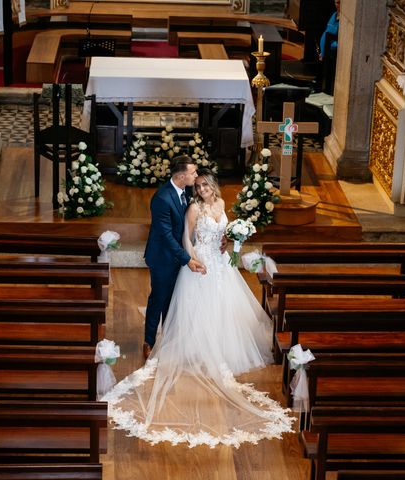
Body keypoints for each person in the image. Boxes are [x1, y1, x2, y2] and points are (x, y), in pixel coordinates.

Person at [103, 169, 295, 448]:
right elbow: (186, 238)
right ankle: (185, 344)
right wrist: (193, 261)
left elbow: (223, 232)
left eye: (206, 184)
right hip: (201, 262)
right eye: (199, 184)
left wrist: (229, 241)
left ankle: (220, 343)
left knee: (223, 304)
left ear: (213, 185)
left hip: (221, 262)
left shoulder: (221, 204)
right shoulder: (194, 208)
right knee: (195, 306)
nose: (202, 188)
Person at [143, 155, 206, 360]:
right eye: (193, 172)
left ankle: (169, 340)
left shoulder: (185, 192)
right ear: (181, 176)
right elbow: (166, 236)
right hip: (162, 257)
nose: (196, 175)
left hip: (177, 256)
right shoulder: (162, 199)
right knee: (158, 299)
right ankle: (149, 341)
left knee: (173, 300)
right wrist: (187, 259)